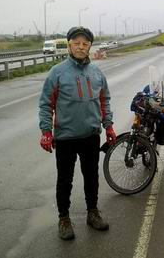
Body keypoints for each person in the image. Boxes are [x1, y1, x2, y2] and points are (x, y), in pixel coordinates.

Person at [38, 26, 117, 240]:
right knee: (65, 180)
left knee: (92, 177)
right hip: (65, 138)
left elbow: (104, 100)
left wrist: (108, 126)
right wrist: (46, 131)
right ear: (69, 45)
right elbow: (46, 104)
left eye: (85, 43)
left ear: (90, 46)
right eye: (76, 43)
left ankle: (92, 213)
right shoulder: (57, 72)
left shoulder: (96, 73)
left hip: (91, 136)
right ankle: (64, 218)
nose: (81, 47)